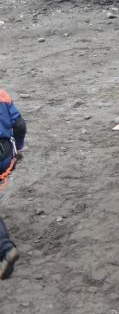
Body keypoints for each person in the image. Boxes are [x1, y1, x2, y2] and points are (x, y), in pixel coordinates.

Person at [0, 89, 25, 280]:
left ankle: (5, 248)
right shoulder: (2, 94)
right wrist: (19, 148)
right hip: (5, 153)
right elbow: (19, 125)